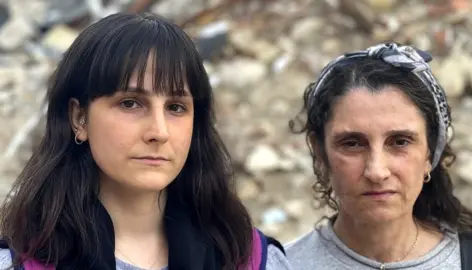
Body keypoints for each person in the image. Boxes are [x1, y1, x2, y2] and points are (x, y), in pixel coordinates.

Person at [0, 12, 291, 270]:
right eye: (130, 103)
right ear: (79, 117)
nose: (159, 132)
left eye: (176, 107)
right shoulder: (20, 262)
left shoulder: (250, 259)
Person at [286, 42, 472, 269]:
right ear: (320, 154)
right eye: (352, 144)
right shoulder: (282, 265)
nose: (377, 171)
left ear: (430, 153)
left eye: (400, 142)